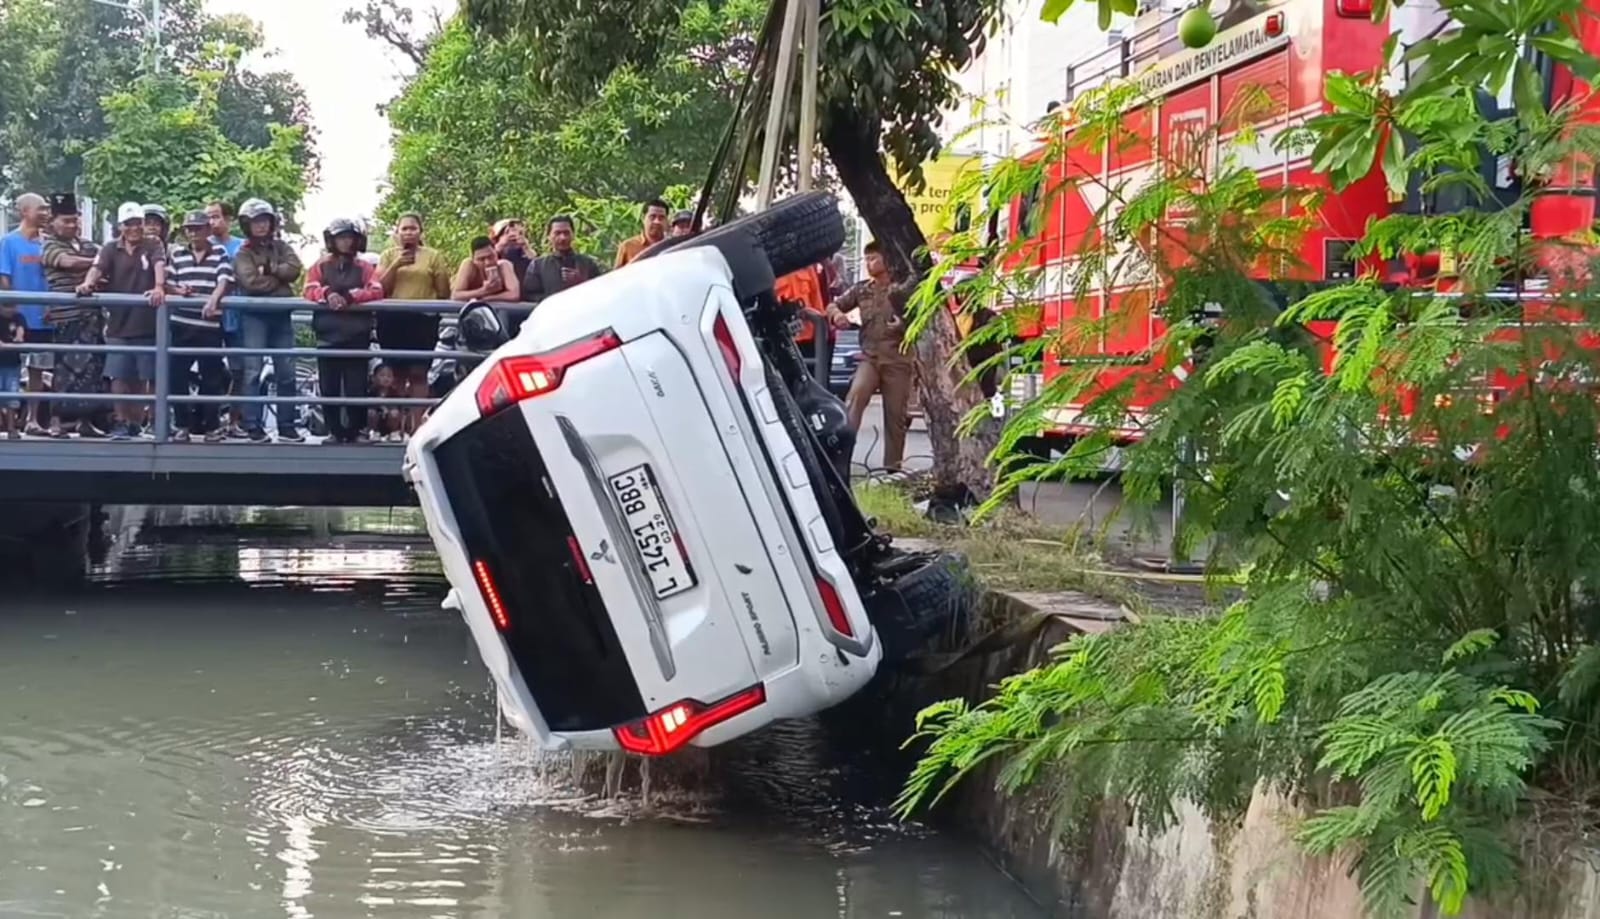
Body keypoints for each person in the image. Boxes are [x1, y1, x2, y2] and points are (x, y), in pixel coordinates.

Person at [826, 240, 918, 473]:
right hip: (870, 357)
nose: (869, 264)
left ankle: (892, 468)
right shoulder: (861, 289)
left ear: (886, 260)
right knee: (855, 397)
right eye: (866, 259)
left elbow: (922, 320)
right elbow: (833, 305)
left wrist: (904, 325)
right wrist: (837, 316)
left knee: (895, 416)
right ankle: (841, 459)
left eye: (874, 258)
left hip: (898, 359)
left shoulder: (902, 289)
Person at [78, 202, 167, 441]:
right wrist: (88, 283)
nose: (134, 228)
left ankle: (149, 422)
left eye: (138, 223)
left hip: (147, 321)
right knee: (118, 374)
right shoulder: (110, 248)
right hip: (119, 321)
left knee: (149, 375)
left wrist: (158, 287)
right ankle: (121, 421)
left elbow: (159, 264)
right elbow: (97, 267)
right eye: (129, 224)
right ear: (121, 226)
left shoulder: (153, 244)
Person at [230, 198, 305, 443]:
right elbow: (250, 282)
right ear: (247, 225)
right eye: (255, 222)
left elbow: (295, 269)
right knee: (252, 371)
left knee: (287, 372)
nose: (261, 225)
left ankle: (287, 426)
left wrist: (269, 270)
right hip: (254, 316)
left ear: (272, 223)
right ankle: (253, 426)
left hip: (281, 316)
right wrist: (280, 280)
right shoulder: (243, 252)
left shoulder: (282, 246)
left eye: (264, 220)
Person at [304, 218, 385, 445]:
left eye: (349, 237)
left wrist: (352, 297)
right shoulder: (320, 265)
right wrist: (327, 294)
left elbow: (377, 290)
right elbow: (308, 288)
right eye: (341, 238)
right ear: (332, 241)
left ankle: (357, 430)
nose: (346, 242)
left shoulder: (364, 267)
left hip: (356, 335)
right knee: (328, 386)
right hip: (327, 335)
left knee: (356, 386)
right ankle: (334, 431)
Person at [374, 213, 452, 437]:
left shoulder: (433, 256)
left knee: (419, 373)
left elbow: (444, 292)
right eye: (404, 229)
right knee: (395, 374)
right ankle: (395, 428)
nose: (409, 233)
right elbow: (378, 288)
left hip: (422, 319)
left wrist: (438, 275)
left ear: (420, 232)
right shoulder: (388, 255)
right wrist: (396, 265)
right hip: (392, 318)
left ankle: (417, 428)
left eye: (413, 228)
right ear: (397, 232)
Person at [164, 211, 234, 443]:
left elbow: (225, 279)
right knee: (177, 377)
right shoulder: (178, 254)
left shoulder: (219, 252)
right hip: (181, 323)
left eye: (198, 228)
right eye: (190, 229)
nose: (193, 233)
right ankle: (182, 425)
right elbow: (168, 283)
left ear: (207, 230)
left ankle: (211, 426)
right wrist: (179, 290)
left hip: (209, 325)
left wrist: (213, 300)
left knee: (211, 378)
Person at [41, 193, 105, 439]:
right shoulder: (49, 245)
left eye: (74, 220)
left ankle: (85, 421)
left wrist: (99, 265)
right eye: (66, 221)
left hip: (92, 317)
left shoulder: (88, 245)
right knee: (64, 370)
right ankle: (56, 421)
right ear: (53, 222)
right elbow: (68, 263)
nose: (72, 225)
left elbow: (106, 263)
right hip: (65, 317)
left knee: (92, 370)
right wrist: (98, 264)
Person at [0, 192, 55, 436]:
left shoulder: (47, 243)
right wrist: (11, 311)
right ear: (25, 212)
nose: (45, 213)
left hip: (44, 318)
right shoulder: (8, 242)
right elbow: (4, 277)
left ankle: (33, 419)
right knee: (9, 369)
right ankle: (9, 421)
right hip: (16, 318)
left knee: (38, 368)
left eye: (47, 209)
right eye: (40, 208)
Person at [205, 200, 248, 438]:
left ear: (228, 219)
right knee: (209, 369)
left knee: (240, 369)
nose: (211, 222)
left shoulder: (241, 246)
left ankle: (234, 420)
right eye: (208, 217)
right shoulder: (200, 244)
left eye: (216, 216)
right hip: (207, 316)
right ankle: (210, 421)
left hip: (236, 315)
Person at [521, 215, 604, 309]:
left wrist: (581, 282)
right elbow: (531, 296)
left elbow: (600, 293)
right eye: (557, 233)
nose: (563, 238)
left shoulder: (588, 263)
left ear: (573, 235)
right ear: (549, 236)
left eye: (566, 233)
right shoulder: (537, 266)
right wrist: (555, 302)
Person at [452, 236, 522, 304]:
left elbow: (514, 295)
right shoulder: (469, 266)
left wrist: (488, 298)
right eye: (481, 259)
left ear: (496, 254)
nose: (487, 263)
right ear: (473, 259)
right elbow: (456, 295)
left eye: (491, 257)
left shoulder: (504, 266)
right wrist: (484, 290)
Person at [614, 198, 670, 268]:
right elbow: (617, 273)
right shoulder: (627, 247)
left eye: (661, 218)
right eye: (652, 217)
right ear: (643, 218)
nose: (657, 221)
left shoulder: (672, 246)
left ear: (667, 220)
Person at [0, 300, 23, 439]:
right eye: (6, 306)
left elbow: (21, 328)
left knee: (12, 396)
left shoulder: (18, 317)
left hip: (13, 364)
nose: (10, 310)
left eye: (13, 306)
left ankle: (11, 427)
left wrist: (19, 337)